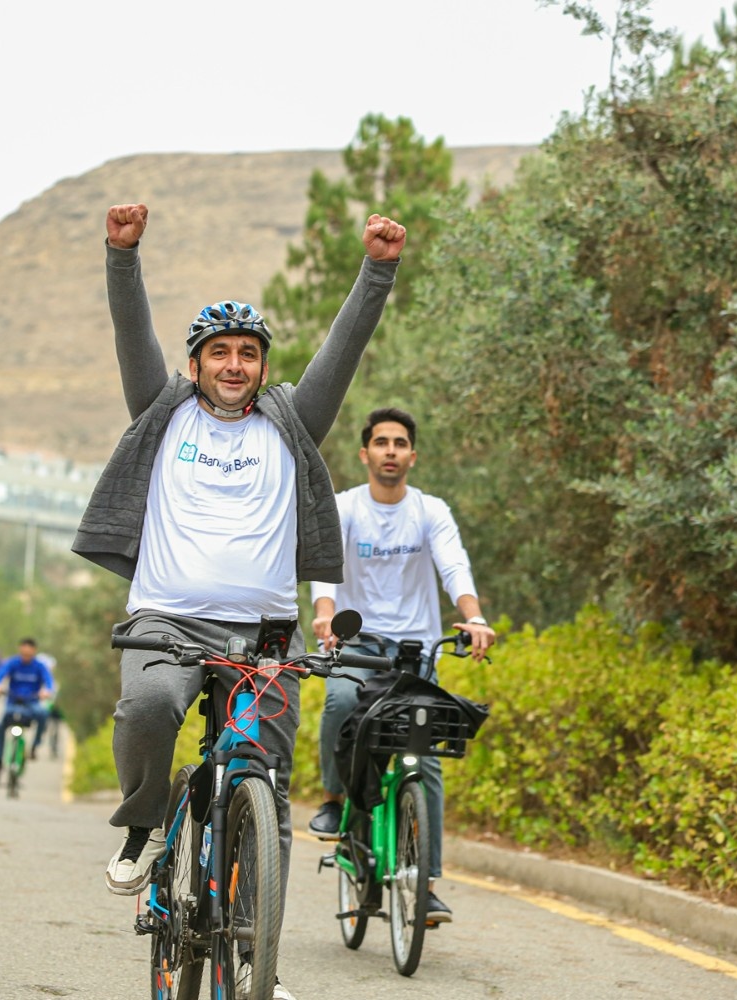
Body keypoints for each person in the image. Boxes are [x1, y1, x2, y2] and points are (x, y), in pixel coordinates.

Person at [72, 203, 405, 1000]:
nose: (233, 364)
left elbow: (344, 349)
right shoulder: (164, 411)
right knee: (150, 704)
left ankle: (258, 958)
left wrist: (378, 269)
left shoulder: (292, 420)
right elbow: (131, 333)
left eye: (247, 353)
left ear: (262, 366)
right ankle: (144, 825)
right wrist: (122, 255)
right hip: (166, 618)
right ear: (195, 365)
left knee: (264, 787)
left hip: (265, 637)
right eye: (218, 352)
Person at [307, 407, 496, 926]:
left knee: (425, 759)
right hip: (357, 643)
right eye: (381, 442)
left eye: (400, 443)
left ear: (413, 455)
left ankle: (427, 886)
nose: (390, 450)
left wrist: (475, 617)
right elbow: (325, 569)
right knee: (340, 703)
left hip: (416, 652)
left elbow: (454, 565)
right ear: (365, 453)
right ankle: (333, 800)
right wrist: (325, 615)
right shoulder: (346, 507)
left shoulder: (430, 511)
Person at [0, 638, 55, 757]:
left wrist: (47, 691)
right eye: (23, 654)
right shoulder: (13, 663)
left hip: (32, 702)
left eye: (28, 654)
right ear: (19, 650)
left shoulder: (39, 666)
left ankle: (35, 745)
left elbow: (49, 681)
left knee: (43, 714)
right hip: (13, 701)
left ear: (34, 651)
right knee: (0, 724)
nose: (25, 657)